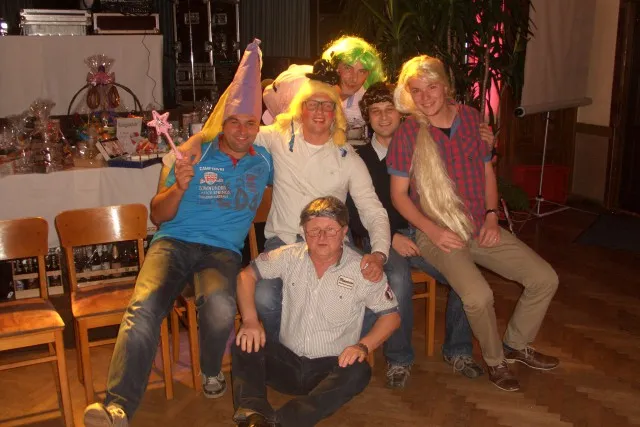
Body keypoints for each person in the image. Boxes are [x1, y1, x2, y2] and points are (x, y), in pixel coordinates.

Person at [83, 40, 273, 427]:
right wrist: (180, 187)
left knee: (221, 307)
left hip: (221, 251)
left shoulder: (265, 161)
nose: (242, 131)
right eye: (234, 122)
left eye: (250, 123)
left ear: (259, 126)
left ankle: (210, 369)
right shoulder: (192, 153)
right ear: (223, 122)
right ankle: (118, 407)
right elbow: (157, 214)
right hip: (173, 242)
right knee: (144, 309)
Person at [178, 61, 391, 348]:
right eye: (312, 104)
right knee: (265, 296)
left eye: (327, 106)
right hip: (285, 242)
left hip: (333, 245)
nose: (319, 111)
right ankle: (284, 354)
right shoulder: (278, 137)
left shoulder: (348, 158)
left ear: (336, 113)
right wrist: (196, 139)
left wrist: (379, 253)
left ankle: (334, 350)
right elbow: (236, 132)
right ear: (300, 109)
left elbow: (373, 210)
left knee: (373, 292)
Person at [387, 55, 560, 392]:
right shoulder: (408, 133)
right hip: (436, 232)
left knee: (544, 278)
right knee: (478, 296)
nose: (425, 97)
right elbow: (399, 196)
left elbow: (486, 172)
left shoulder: (471, 118)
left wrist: (493, 216)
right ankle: (496, 361)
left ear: (445, 86)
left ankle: (516, 343)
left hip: (479, 225)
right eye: (416, 90)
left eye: (431, 87)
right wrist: (433, 230)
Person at [347, 82, 497, 385]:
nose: (384, 117)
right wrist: (391, 238)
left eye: (390, 109)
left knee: (463, 275)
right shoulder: (357, 157)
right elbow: (352, 213)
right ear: (367, 118)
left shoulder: (422, 146)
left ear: (402, 114)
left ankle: (458, 350)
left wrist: (488, 145)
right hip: (382, 240)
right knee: (399, 279)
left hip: (424, 233)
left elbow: (469, 167)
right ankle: (399, 359)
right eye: (375, 111)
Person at [232, 196, 400, 427]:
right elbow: (245, 276)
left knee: (359, 371)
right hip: (287, 363)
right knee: (245, 341)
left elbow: (391, 316)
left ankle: (282, 422)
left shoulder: (363, 269)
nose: (321, 237)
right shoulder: (289, 256)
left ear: (344, 232)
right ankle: (253, 413)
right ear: (303, 231)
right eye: (314, 231)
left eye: (330, 230)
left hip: (330, 369)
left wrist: (363, 346)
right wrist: (250, 320)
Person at [261, 35, 385, 143]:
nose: (354, 78)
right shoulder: (304, 88)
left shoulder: (363, 101)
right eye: (348, 68)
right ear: (335, 67)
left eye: (362, 71)